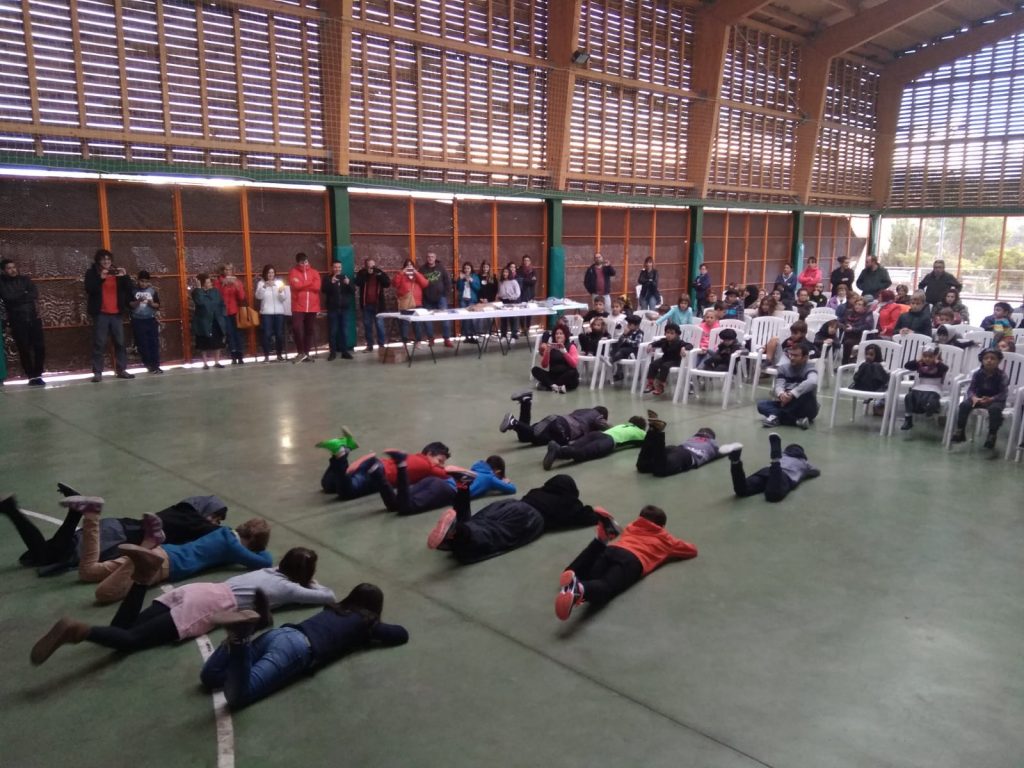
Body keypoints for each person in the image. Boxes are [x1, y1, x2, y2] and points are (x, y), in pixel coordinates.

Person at [28, 547, 335, 665]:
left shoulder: (269, 571)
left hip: (199, 589)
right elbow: (328, 597)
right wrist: (311, 582)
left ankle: (141, 578)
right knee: (130, 641)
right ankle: (77, 630)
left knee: (120, 628)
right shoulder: (288, 587)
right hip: (211, 604)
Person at [199, 583, 408, 710]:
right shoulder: (366, 622)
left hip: (280, 633)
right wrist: (375, 623)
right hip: (296, 649)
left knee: (211, 676)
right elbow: (401, 634)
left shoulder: (334, 608)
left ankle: (244, 633)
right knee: (240, 696)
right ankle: (240, 639)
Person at [1, 488, 227, 576]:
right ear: (204, 510)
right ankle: (13, 509)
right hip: (117, 537)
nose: (214, 523)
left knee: (40, 554)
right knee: (47, 555)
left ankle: (12, 509)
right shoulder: (191, 520)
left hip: (116, 529)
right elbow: (226, 535)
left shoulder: (182, 512)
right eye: (215, 517)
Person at [426, 476, 615, 565]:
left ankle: (462, 489)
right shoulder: (567, 503)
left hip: (509, 504)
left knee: (479, 521)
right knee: (494, 533)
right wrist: (597, 512)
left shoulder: (538, 491)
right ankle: (457, 532)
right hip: (529, 518)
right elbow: (586, 516)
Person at [555, 505, 697, 621]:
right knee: (606, 586)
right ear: (662, 526)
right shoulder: (667, 539)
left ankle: (591, 553)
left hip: (612, 549)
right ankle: (579, 589)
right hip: (633, 559)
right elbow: (692, 550)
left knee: (592, 575)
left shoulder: (632, 526)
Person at [90, 515, 272, 604]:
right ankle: (144, 549)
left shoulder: (223, 532)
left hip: (163, 551)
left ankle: (91, 515)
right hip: (164, 565)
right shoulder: (234, 548)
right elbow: (265, 561)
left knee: (90, 572)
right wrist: (260, 548)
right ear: (252, 541)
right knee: (104, 594)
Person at [318, 434, 450, 502]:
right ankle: (341, 455)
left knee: (328, 485)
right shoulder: (427, 465)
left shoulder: (413, 457)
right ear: (429, 454)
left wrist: (359, 462)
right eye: (440, 461)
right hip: (376, 473)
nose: (441, 465)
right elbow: (447, 474)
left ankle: (341, 451)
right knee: (347, 492)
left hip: (374, 463)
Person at [377, 451, 514, 516]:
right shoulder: (490, 478)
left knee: (395, 504)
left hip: (435, 481)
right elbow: (512, 489)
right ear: (497, 471)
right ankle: (401, 465)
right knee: (406, 508)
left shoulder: (474, 469)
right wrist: (504, 480)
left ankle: (376, 473)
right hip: (446, 490)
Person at [84, 248, 134, 383]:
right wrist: (101, 278)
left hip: (116, 313)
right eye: (103, 259)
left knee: (120, 343)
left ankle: (121, 370)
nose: (106, 261)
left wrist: (125, 276)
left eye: (108, 259)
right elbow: (89, 289)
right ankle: (97, 372)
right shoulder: (92, 273)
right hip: (101, 314)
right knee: (99, 343)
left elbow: (130, 290)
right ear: (98, 261)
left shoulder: (117, 273)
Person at [726, 432, 820, 503]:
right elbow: (816, 471)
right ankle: (775, 460)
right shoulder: (804, 462)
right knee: (773, 495)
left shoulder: (784, 455)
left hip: (766, 471)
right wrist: (804, 474)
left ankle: (735, 462)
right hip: (784, 476)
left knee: (742, 490)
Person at [635, 415, 739, 477]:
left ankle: (652, 431)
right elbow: (724, 450)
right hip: (687, 455)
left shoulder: (692, 438)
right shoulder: (712, 443)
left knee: (643, 465)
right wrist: (734, 448)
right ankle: (657, 432)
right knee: (661, 469)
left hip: (677, 448)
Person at [500, 392, 609, 446]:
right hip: (562, 429)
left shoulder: (583, 411)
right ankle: (513, 422)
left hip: (556, 421)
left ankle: (526, 401)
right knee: (535, 434)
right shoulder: (596, 415)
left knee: (525, 436)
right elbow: (605, 426)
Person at [951, 348, 1009, 449]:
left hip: (995, 400)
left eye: (993, 358)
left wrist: (991, 399)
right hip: (979, 398)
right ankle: (960, 431)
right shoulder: (977, 373)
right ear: (982, 360)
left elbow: (1003, 393)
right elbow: (971, 389)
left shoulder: (1002, 375)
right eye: (986, 358)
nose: (989, 360)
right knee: (964, 405)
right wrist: (973, 397)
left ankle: (992, 435)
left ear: (998, 361)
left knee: (995, 410)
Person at [0, 258, 46, 385]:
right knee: (24, 348)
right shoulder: (2, 282)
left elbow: (34, 294)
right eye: (9, 268)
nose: (13, 270)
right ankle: (31, 376)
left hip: (33, 318)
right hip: (17, 320)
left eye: (14, 267)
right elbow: (7, 297)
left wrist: (18, 296)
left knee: (39, 347)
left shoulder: (25, 279)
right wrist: (24, 293)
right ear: (4, 271)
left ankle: (38, 374)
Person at [542, 416, 647, 470]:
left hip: (597, 433)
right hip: (609, 441)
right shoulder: (640, 432)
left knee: (574, 446)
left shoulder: (622, 425)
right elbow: (648, 440)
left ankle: (559, 448)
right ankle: (558, 452)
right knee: (583, 453)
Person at [757, 342, 819, 429]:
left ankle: (776, 416)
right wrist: (781, 394)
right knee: (761, 404)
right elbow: (779, 384)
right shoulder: (783, 368)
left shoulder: (810, 368)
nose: (792, 358)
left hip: (804, 406)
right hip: (787, 403)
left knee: (807, 393)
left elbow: (812, 382)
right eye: (791, 355)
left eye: (796, 356)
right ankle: (796, 421)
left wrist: (792, 394)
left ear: (805, 357)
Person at [900, 344, 949, 430]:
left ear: (935, 357)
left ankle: (930, 411)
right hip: (920, 386)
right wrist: (919, 359)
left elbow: (945, 368)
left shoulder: (939, 366)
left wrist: (936, 361)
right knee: (909, 397)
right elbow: (907, 365)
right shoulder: (920, 364)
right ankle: (908, 419)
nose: (927, 359)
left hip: (934, 388)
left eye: (930, 357)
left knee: (931, 400)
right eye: (925, 356)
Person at [288, 252, 321, 363]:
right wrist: (309, 282)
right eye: (302, 262)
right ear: (298, 263)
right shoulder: (293, 272)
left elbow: (317, 287)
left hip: (312, 305)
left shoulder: (314, 272)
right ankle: (301, 352)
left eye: (306, 261)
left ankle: (306, 353)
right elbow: (295, 286)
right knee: (296, 327)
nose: (304, 264)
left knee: (309, 329)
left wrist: (302, 284)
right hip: (298, 305)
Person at [190, 274, 227, 369]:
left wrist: (222, 314)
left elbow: (220, 302)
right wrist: (199, 289)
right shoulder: (196, 292)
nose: (210, 284)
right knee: (203, 343)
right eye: (207, 282)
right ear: (202, 283)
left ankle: (217, 361)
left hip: (215, 318)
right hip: (203, 321)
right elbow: (200, 302)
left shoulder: (215, 291)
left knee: (217, 341)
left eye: (210, 282)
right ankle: (205, 363)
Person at [354, 257, 390, 352]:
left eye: (373, 266)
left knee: (380, 325)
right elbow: (357, 283)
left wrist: (379, 276)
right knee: (367, 326)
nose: (371, 268)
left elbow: (387, 284)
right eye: (369, 266)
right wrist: (367, 274)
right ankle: (369, 345)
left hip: (378, 305)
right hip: (366, 304)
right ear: (365, 266)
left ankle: (381, 345)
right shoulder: (362, 273)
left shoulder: (379, 272)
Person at [643, 323, 690, 396]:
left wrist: (684, 348)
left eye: (672, 333)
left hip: (676, 361)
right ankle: (651, 384)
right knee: (653, 364)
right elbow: (656, 343)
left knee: (665, 366)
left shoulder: (680, 342)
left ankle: (660, 385)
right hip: (665, 358)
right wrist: (651, 345)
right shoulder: (664, 341)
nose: (669, 335)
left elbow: (690, 345)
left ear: (677, 335)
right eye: (667, 332)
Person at [531, 323, 579, 393]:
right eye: (556, 334)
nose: (558, 335)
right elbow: (544, 365)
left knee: (573, 373)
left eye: (561, 333)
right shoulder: (550, 346)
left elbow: (574, 364)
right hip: (553, 375)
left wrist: (564, 352)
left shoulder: (571, 346)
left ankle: (549, 385)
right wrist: (547, 351)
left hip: (565, 375)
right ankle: (556, 386)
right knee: (535, 370)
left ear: (565, 335)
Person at [320, 261, 354, 361]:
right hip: (333, 309)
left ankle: (344, 352)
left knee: (344, 331)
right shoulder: (327, 278)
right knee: (333, 331)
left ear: (341, 268)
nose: (337, 269)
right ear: (332, 268)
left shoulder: (345, 277)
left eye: (339, 267)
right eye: (335, 267)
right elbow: (323, 290)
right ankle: (332, 352)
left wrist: (348, 284)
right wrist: (331, 282)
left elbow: (353, 291)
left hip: (344, 309)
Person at [255, 265, 290, 361]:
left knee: (279, 334)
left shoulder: (279, 283)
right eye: (269, 272)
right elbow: (258, 297)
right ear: (265, 274)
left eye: (272, 272)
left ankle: (279, 354)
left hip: (279, 313)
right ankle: (266, 356)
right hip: (266, 313)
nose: (271, 274)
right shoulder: (261, 283)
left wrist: (281, 292)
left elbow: (283, 298)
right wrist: (264, 287)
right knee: (267, 334)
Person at [420, 251, 453, 347]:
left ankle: (447, 339)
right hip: (427, 299)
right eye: (428, 257)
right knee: (427, 320)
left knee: (445, 318)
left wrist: (445, 294)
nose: (430, 258)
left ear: (435, 258)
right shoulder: (422, 269)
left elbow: (447, 281)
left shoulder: (441, 268)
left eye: (432, 257)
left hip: (441, 298)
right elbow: (418, 282)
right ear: (426, 258)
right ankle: (431, 339)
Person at [215, 263, 247, 365]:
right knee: (229, 333)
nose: (228, 271)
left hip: (235, 311)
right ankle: (233, 356)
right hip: (224, 312)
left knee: (238, 333)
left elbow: (242, 297)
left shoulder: (237, 281)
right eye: (226, 269)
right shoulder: (218, 282)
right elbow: (216, 296)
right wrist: (223, 285)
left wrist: (236, 286)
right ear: (223, 271)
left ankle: (240, 355)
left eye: (230, 269)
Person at [393, 259, 428, 345]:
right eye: (407, 265)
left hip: (417, 302)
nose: (409, 266)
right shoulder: (401, 275)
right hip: (405, 303)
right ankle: (404, 341)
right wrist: (401, 273)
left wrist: (416, 273)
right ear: (404, 267)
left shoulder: (417, 275)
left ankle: (418, 341)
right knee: (404, 322)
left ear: (414, 266)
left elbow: (425, 284)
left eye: (411, 265)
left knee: (417, 323)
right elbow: (395, 284)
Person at [603, 314, 644, 383]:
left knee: (622, 351)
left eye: (630, 324)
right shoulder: (628, 331)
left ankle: (610, 360)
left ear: (637, 325)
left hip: (633, 350)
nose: (628, 325)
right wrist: (624, 334)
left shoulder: (639, 333)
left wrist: (627, 340)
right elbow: (620, 340)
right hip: (625, 350)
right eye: (628, 324)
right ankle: (619, 373)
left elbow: (637, 344)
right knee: (616, 349)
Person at [841, 296, 874, 362]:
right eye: (856, 304)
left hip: (862, 337)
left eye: (859, 305)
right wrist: (845, 325)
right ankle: (849, 360)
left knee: (848, 343)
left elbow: (868, 326)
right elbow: (843, 320)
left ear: (864, 307)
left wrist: (853, 328)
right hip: (850, 334)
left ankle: (845, 362)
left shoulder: (868, 314)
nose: (857, 306)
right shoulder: (850, 312)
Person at [455, 262, 481, 343]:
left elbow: (478, 288)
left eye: (468, 268)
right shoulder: (461, 276)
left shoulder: (475, 276)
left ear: (471, 269)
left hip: (471, 300)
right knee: (465, 319)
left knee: (472, 318)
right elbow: (458, 288)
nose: (466, 270)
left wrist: (471, 281)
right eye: (465, 268)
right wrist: (461, 280)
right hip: (463, 300)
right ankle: (466, 336)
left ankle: (473, 336)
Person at [496, 265, 521, 341]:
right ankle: (503, 335)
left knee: (513, 319)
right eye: (504, 272)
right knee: (503, 319)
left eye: (506, 272)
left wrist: (512, 297)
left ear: (509, 273)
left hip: (512, 301)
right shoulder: (501, 282)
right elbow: (500, 292)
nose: (505, 273)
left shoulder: (514, 281)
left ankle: (513, 336)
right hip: (503, 301)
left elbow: (518, 293)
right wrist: (499, 296)